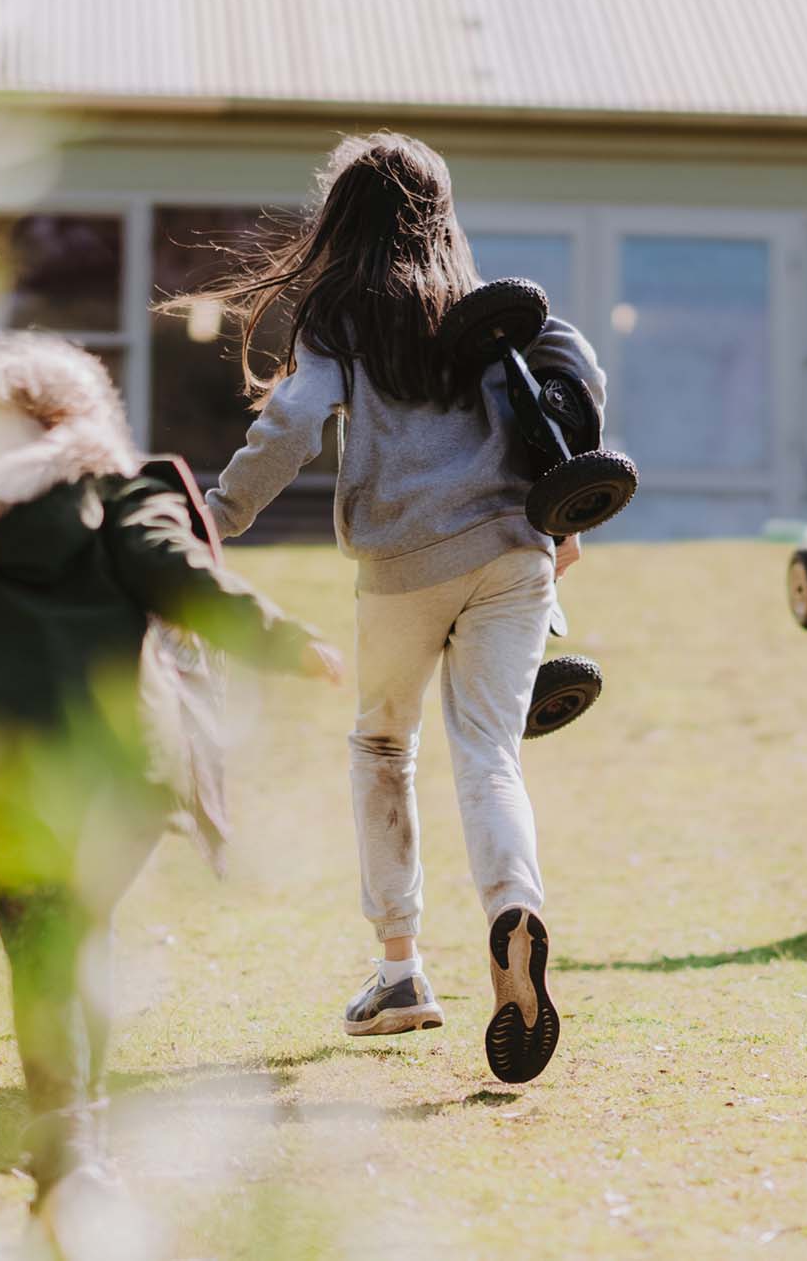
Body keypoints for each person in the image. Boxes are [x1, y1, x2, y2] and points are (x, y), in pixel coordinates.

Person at [0, 332, 342, 1209]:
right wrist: (286, 642)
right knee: (80, 934)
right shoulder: (121, 494)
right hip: (124, 763)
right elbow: (183, 577)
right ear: (89, 413)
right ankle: (78, 1149)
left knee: (44, 948)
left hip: (1, 770)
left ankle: (71, 1152)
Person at [184, 132, 600, 1085]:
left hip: (405, 564)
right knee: (490, 754)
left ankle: (401, 971)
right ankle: (512, 910)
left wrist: (219, 513)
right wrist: (570, 496)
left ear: (346, 218)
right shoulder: (488, 306)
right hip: (514, 551)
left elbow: (290, 422)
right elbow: (581, 373)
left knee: (382, 744)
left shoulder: (341, 315)